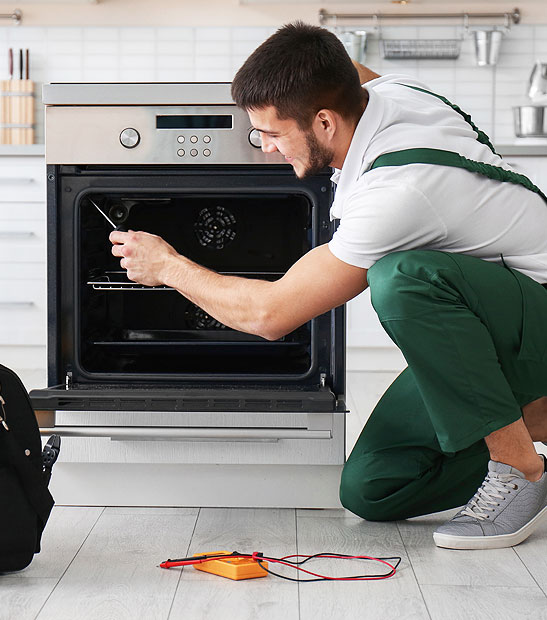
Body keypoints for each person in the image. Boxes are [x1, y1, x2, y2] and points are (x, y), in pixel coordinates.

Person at [110, 21, 547, 550]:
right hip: (492, 322)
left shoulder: (398, 191)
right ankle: (531, 423)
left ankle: (520, 471)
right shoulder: (391, 92)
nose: (265, 147)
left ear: (323, 120)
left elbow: (269, 316)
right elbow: (338, 62)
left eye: (272, 133)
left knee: (401, 280)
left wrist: (168, 266)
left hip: (532, 311)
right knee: (373, 489)